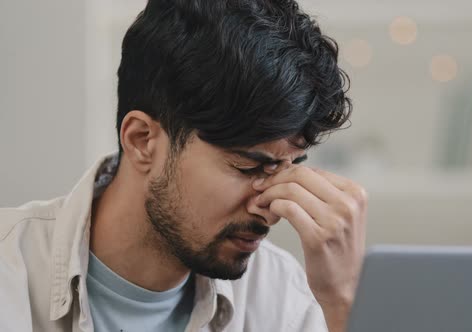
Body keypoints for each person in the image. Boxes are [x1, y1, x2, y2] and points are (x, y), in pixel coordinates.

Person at [0, 0, 367, 331]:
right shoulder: (10, 273)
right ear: (142, 140)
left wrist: (342, 303)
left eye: (289, 168)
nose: (271, 208)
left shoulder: (283, 297)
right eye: (248, 167)